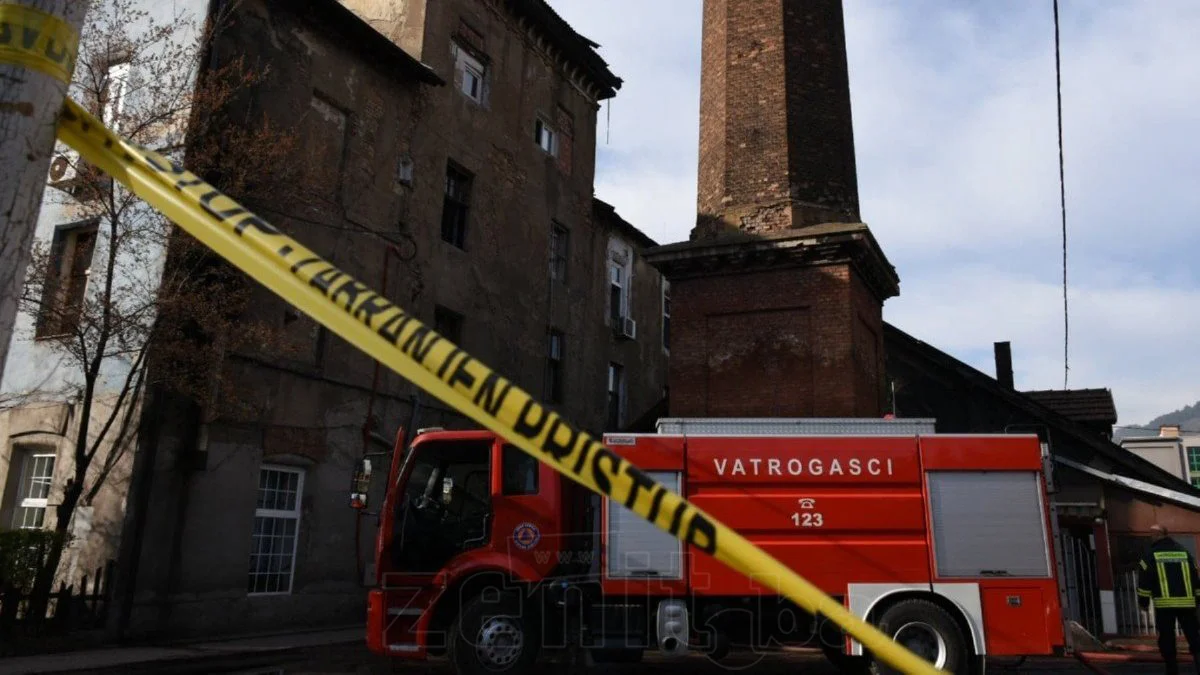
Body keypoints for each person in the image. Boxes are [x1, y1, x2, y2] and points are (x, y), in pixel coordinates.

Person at [1137, 524, 1200, 674]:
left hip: (1165, 606)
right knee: (1194, 638)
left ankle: (1172, 670)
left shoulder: (1150, 555)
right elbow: (1195, 578)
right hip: (1187, 604)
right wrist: (1197, 599)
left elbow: (1144, 582)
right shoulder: (1185, 553)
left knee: (1167, 639)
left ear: (1156, 535)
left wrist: (1143, 602)